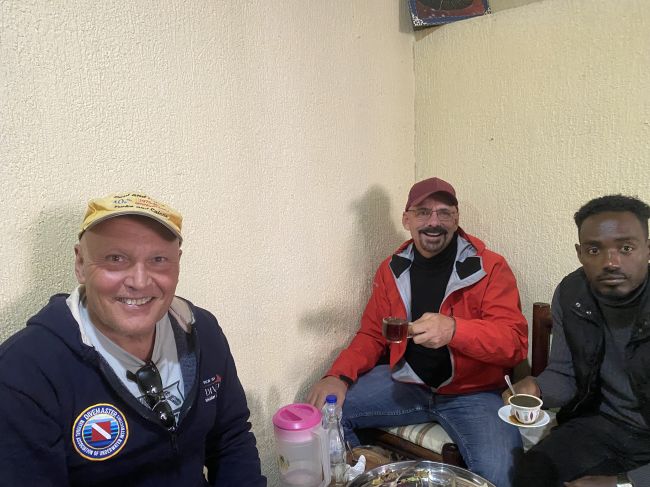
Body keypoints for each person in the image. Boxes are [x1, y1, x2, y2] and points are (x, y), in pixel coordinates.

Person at [0, 192, 266, 486]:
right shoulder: (24, 372)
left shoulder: (201, 329)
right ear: (80, 264)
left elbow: (231, 439)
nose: (139, 282)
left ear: (177, 263)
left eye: (158, 260)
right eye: (116, 259)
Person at [307, 177, 528, 487]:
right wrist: (338, 376)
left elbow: (514, 343)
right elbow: (373, 334)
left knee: (506, 476)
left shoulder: (490, 268)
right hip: (407, 380)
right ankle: (368, 474)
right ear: (406, 219)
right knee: (322, 416)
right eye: (423, 212)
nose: (433, 222)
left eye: (444, 212)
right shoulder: (391, 269)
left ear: (456, 218)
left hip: (473, 393)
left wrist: (455, 330)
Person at [508, 194, 650, 487]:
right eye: (594, 249)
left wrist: (624, 483)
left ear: (647, 248)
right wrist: (536, 388)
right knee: (532, 471)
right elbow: (565, 373)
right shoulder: (572, 294)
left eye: (625, 247)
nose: (610, 262)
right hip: (602, 424)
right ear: (579, 252)